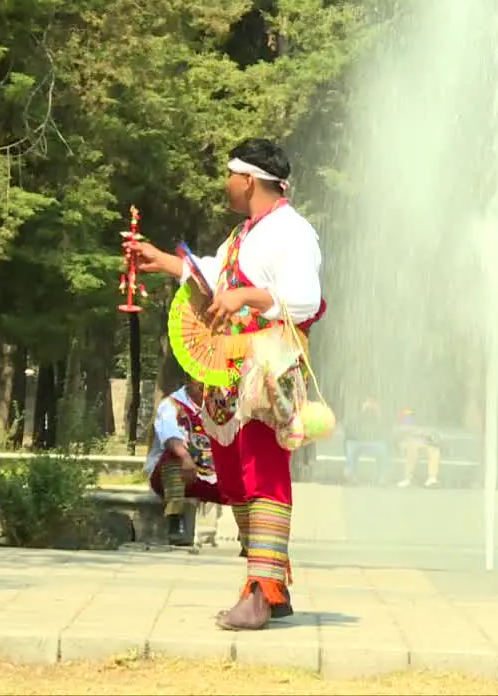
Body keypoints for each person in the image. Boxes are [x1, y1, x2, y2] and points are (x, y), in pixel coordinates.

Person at [130, 138, 325, 630]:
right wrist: (167, 262)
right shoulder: (244, 233)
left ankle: (261, 592)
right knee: (236, 477)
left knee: (263, 474)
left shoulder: (293, 231)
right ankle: (270, 584)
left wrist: (244, 295)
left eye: (229, 175)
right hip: (228, 370)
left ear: (247, 179)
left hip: (265, 369)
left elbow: (303, 299)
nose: (226, 184)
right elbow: (217, 276)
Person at [146, 379, 223, 547]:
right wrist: (186, 458)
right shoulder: (171, 405)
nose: (204, 385)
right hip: (173, 474)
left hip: (207, 474)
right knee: (174, 456)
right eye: (199, 380)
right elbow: (170, 437)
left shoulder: (217, 407)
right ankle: (175, 520)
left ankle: (249, 534)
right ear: (189, 380)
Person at [343, 396, 390, 485]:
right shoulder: (356, 415)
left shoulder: (380, 416)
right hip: (357, 442)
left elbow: (385, 431)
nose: (370, 406)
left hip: (374, 443)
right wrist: (362, 412)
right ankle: (350, 472)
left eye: (373, 403)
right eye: (368, 403)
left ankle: (383, 475)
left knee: (382, 447)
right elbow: (349, 428)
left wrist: (378, 414)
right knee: (351, 445)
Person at [397, 407, 442, 488]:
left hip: (420, 445)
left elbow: (427, 436)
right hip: (403, 446)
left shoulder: (419, 427)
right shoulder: (398, 427)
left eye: (411, 417)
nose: (409, 419)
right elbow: (401, 434)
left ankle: (432, 478)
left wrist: (421, 434)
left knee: (434, 449)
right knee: (412, 446)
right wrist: (416, 432)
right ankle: (407, 478)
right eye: (406, 418)